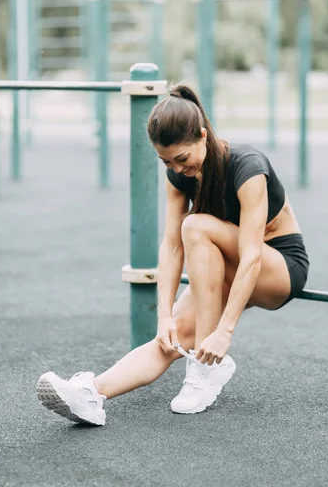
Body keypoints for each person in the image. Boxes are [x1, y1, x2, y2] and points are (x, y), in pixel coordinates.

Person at [36, 84, 309, 425]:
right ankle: (91, 394)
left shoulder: (247, 167)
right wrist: (164, 316)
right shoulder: (178, 176)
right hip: (225, 264)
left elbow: (251, 256)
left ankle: (206, 368)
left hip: (278, 268)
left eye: (182, 158)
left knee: (195, 226)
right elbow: (171, 246)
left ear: (203, 137)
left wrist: (224, 331)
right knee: (171, 336)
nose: (177, 168)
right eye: (166, 161)